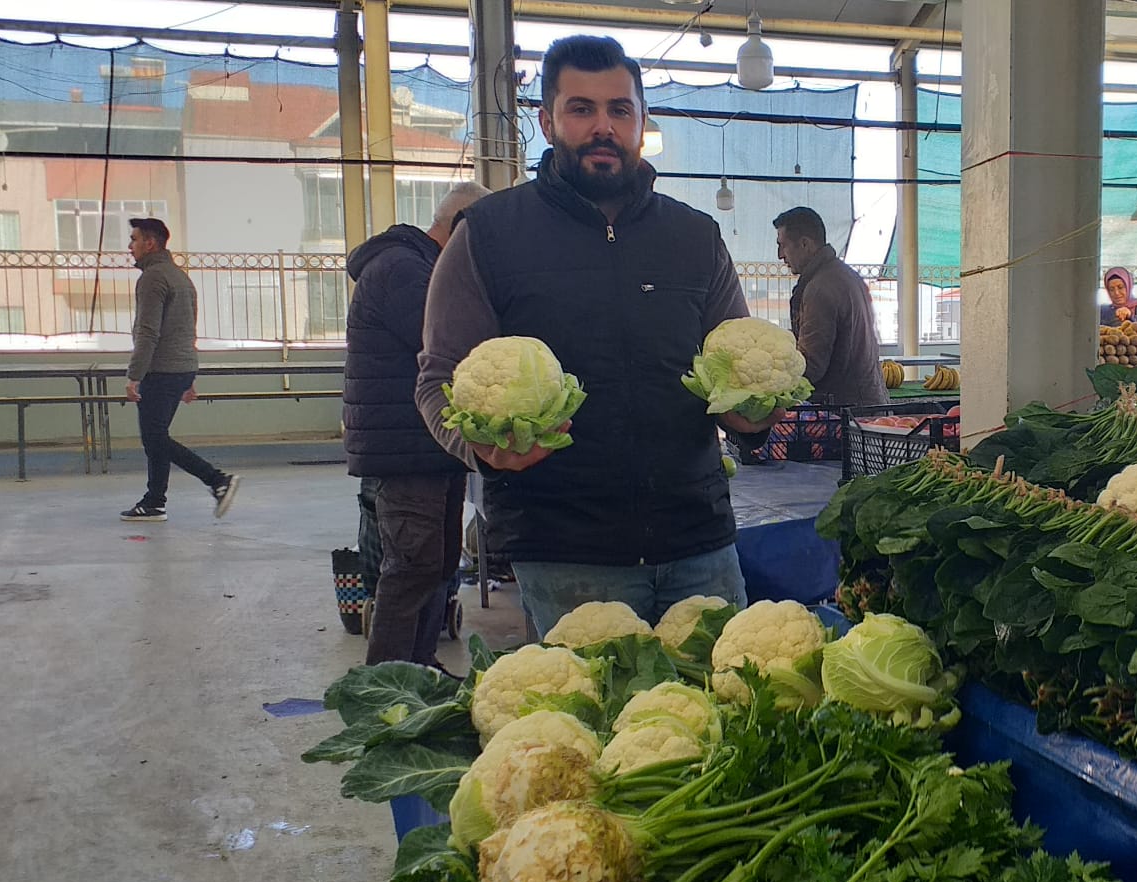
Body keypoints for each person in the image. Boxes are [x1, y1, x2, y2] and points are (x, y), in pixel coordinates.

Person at [415, 34, 779, 630]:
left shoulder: (695, 238)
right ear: (547, 120)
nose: (602, 126)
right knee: (590, 716)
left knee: (723, 712)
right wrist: (480, 448)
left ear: (640, 120)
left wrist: (753, 418)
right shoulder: (488, 234)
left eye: (619, 109)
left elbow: (734, 370)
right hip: (565, 551)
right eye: (581, 109)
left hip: (699, 539)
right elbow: (436, 381)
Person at [345, 181, 491, 669]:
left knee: (440, 564)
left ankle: (420, 667)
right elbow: (454, 347)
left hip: (431, 444)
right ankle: (386, 682)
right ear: (460, 230)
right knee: (411, 568)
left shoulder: (419, 266)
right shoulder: (404, 270)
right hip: (407, 447)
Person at [119, 217, 240, 522]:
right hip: (180, 368)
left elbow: (148, 331)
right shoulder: (180, 277)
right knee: (156, 436)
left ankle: (217, 481)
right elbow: (188, 329)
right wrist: (189, 375)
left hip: (160, 370)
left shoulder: (153, 278)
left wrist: (134, 375)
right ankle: (154, 502)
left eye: (134, 239)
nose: (129, 246)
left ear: (150, 243)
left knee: (155, 438)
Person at [773, 206, 887, 407]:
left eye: (783, 245)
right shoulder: (847, 275)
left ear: (805, 244)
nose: (780, 255)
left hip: (844, 413)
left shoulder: (819, 289)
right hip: (868, 402)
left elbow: (811, 366)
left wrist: (771, 370)